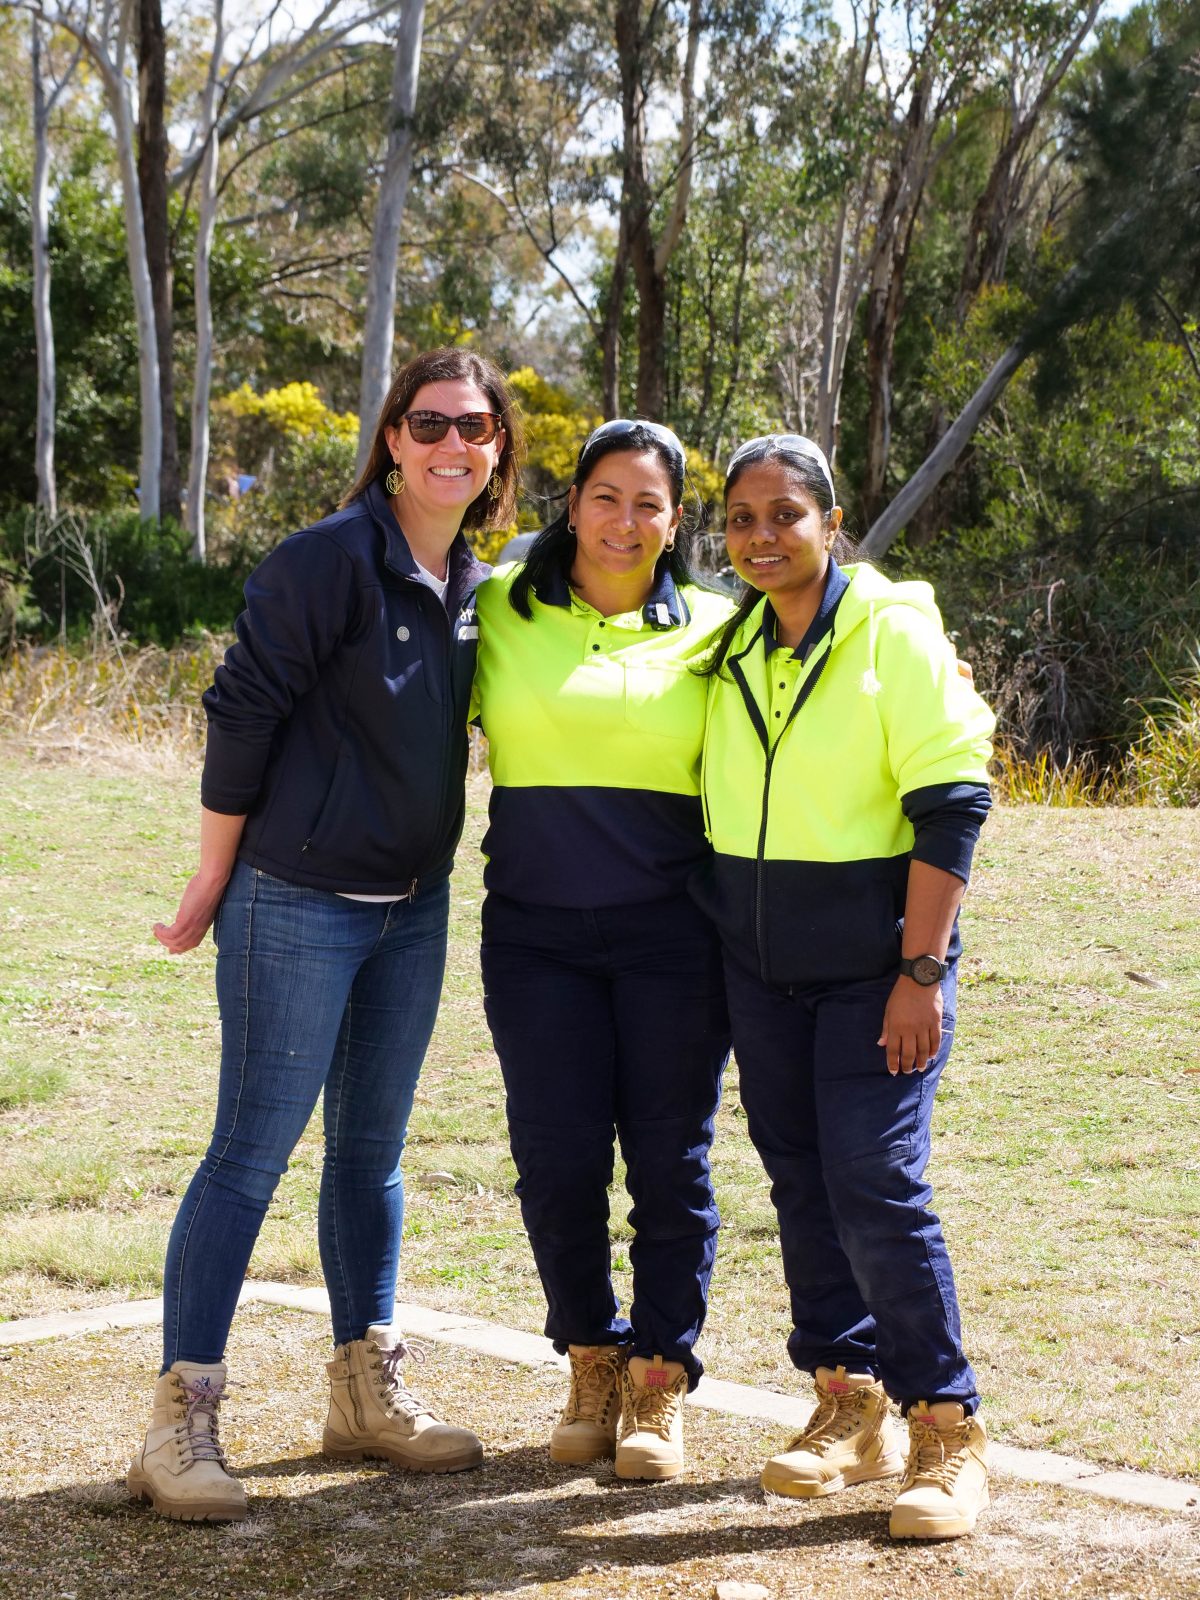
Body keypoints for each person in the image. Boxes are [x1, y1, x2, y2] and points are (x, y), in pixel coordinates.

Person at [128, 348, 524, 1523]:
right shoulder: (325, 560)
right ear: (393, 439)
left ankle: (363, 1395)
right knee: (248, 1155)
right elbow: (241, 711)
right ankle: (179, 1423)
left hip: (413, 908)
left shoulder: (476, 585)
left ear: (498, 449)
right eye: (429, 424)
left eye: (476, 427)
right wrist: (213, 872)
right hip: (293, 899)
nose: (453, 445)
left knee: (371, 1157)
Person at [695, 434, 996, 1540]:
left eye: (786, 514)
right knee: (802, 1179)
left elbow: (953, 801)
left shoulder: (893, 631)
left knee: (874, 1179)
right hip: (762, 971)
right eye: (741, 519)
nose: (762, 536)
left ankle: (947, 1425)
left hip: (879, 970)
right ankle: (846, 1399)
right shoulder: (730, 646)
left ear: (831, 522)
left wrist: (921, 972)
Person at [472, 420, 735, 1480]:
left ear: (676, 522)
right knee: (557, 1159)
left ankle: (659, 1378)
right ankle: (590, 1357)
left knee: (670, 1163)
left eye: (649, 504)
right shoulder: (499, 605)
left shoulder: (721, 627)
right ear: (572, 503)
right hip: (534, 939)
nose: (625, 522)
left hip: (675, 939)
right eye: (606, 497)